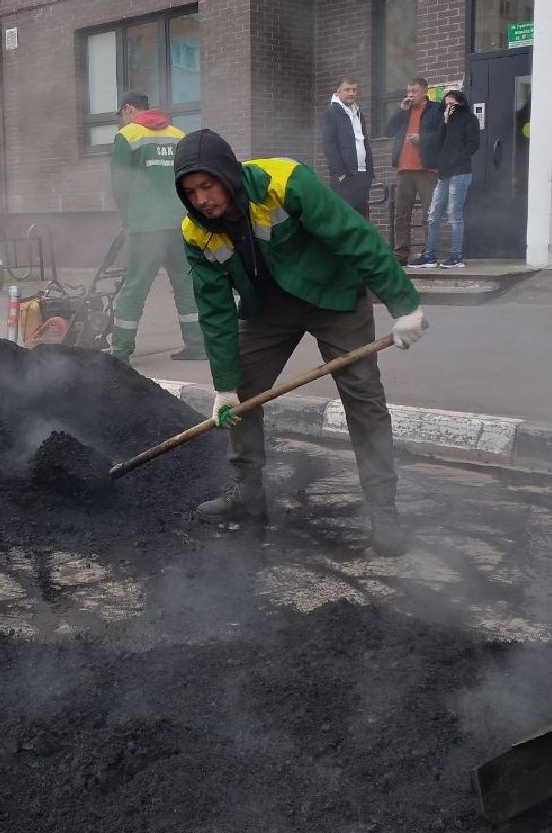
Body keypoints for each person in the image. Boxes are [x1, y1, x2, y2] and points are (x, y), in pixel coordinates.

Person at [173, 128, 429, 553]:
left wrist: (403, 304)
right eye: (190, 192)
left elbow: (354, 236)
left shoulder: (284, 182)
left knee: (362, 395)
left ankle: (383, 508)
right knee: (244, 392)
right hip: (269, 307)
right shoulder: (196, 231)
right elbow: (215, 311)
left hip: (333, 296)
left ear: (227, 174)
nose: (201, 200)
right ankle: (248, 490)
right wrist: (224, 387)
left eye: (207, 185)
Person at [107, 91, 205, 362]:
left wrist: (126, 217)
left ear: (128, 109)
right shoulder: (178, 135)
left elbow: (120, 185)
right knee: (186, 284)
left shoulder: (128, 136)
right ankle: (198, 345)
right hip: (179, 222)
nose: (122, 120)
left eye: (122, 114)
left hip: (146, 225)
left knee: (135, 285)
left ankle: (120, 351)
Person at [408, 89, 480, 269]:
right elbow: (437, 142)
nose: (449, 108)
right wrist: (445, 122)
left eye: (452, 104)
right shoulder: (445, 120)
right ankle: (429, 256)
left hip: (460, 172)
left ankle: (456, 256)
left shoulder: (469, 119)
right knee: (433, 215)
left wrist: (456, 160)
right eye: (446, 105)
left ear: (461, 104)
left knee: (454, 215)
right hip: (444, 173)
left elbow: (473, 144)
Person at [382, 78, 442, 264]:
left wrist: (421, 138)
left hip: (427, 169)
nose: (410, 94)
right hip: (404, 169)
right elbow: (388, 132)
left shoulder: (436, 109)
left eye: (414, 91)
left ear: (425, 92)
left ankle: (428, 254)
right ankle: (401, 254)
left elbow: (442, 135)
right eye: (409, 91)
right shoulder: (405, 111)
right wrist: (401, 111)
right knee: (401, 214)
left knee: (428, 214)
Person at [320, 77, 375, 218]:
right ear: (338, 91)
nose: (351, 93)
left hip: (362, 175)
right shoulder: (330, 114)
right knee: (343, 219)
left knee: (363, 220)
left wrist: (369, 172)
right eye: (347, 89)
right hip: (344, 177)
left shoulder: (359, 113)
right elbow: (328, 146)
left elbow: (364, 143)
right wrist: (340, 174)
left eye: (354, 90)